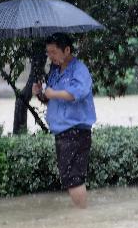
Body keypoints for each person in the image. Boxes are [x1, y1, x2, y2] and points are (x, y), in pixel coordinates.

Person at [32, 33, 96, 208]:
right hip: (62, 132)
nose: (50, 56)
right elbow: (49, 98)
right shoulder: (54, 71)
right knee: (70, 176)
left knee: (73, 177)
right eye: (48, 53)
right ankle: (82, 212)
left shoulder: (79, 69)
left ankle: (83, 215)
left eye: (54, 52)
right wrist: (40, 93)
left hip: (76, 130)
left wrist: (53, 93)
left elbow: (78, 93)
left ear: (67, 50)